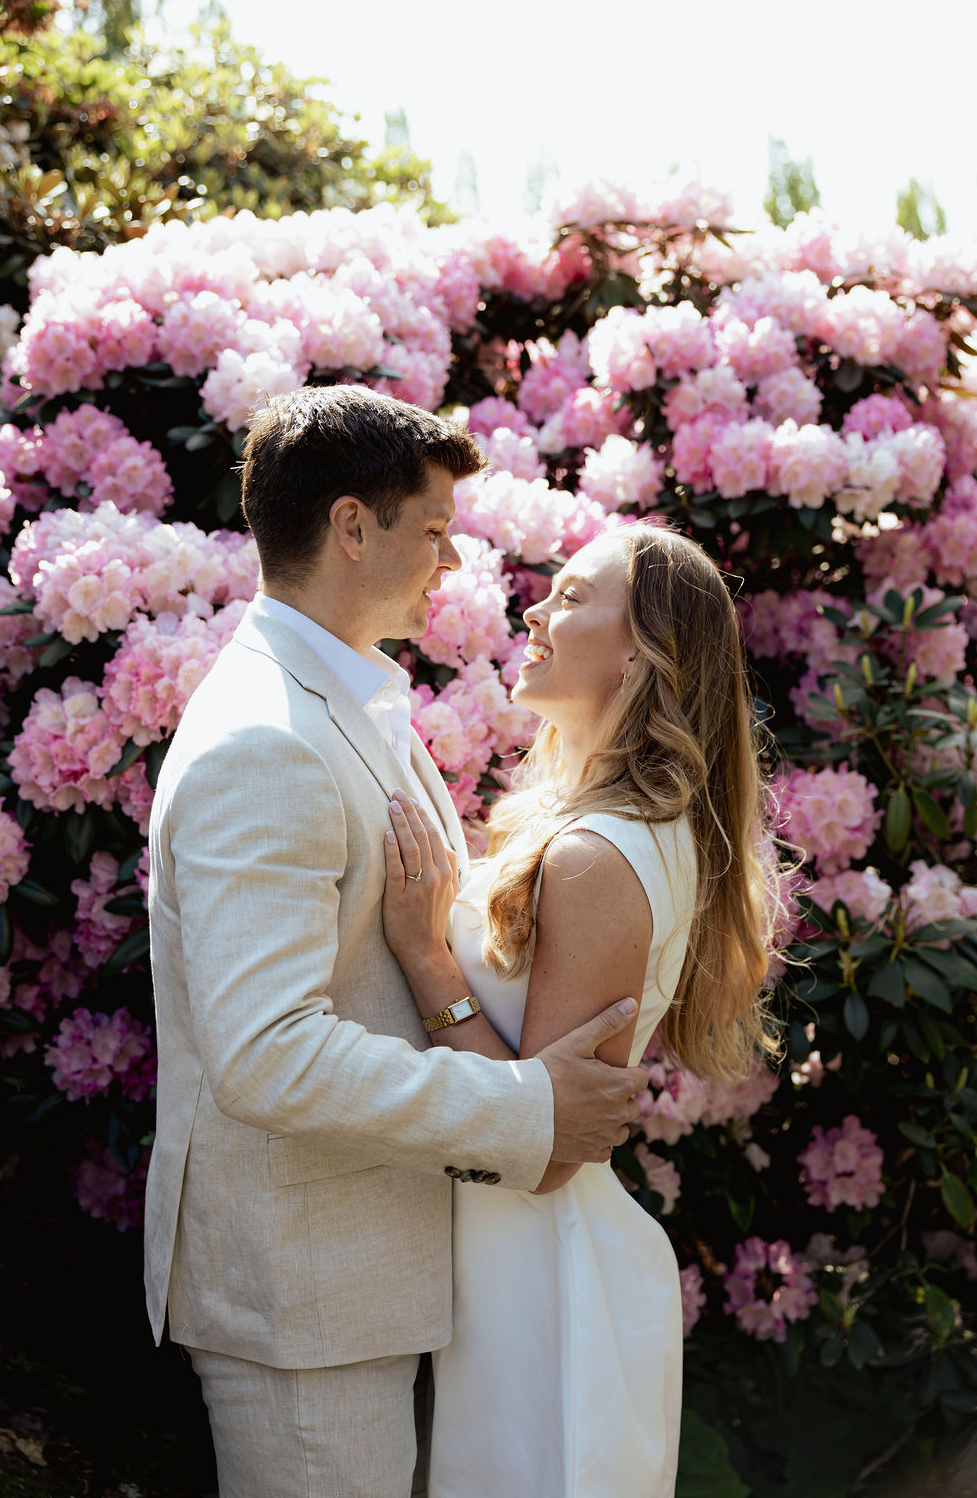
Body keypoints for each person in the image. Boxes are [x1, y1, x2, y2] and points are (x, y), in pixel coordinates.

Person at [143, 384, 653, 1498]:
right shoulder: (264, 741)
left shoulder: (347, 697)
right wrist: (525, 1106)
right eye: (431, 528)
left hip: (364, 1276)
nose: (452, 559)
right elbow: (266, 1053)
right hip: (303, 1301)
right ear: (350, 526)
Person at [382, 520, 782, 1498]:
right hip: (504, 1271)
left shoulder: (599, 856)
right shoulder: (607, 828)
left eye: (569, 597)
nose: (533, 611)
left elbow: (551, 1149)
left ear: (640, 652)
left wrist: (426, 957)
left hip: (541, 1294)